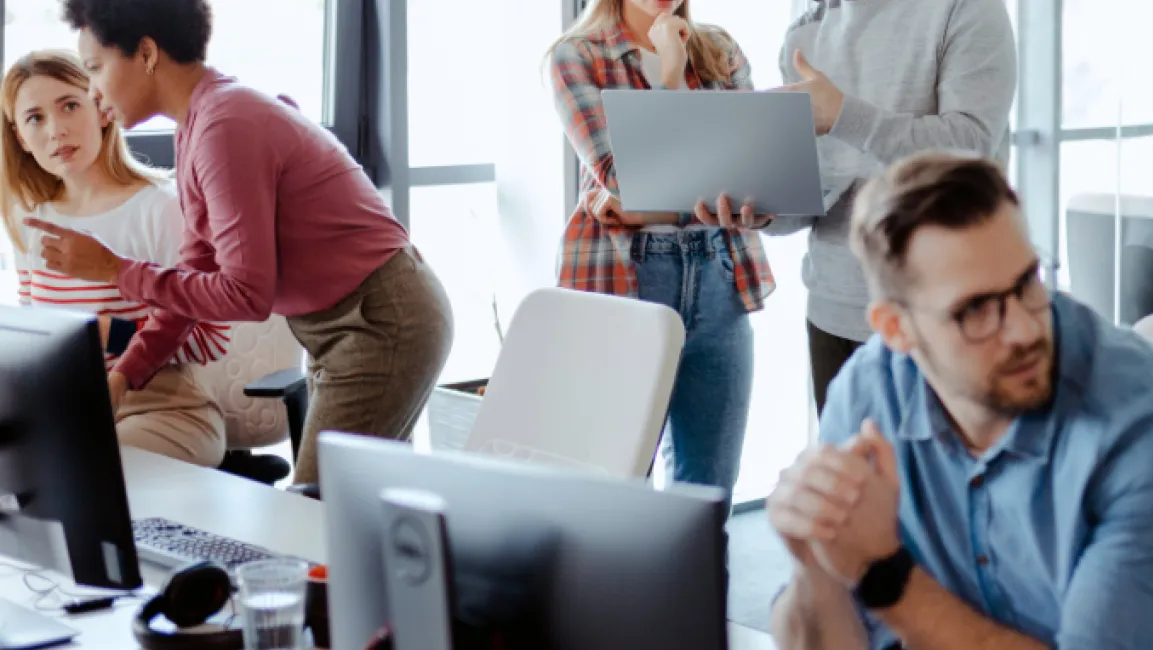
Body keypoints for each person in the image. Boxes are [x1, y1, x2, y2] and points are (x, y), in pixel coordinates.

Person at [767, 152, 1153, 650]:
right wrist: (817, 561)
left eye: (1027, 284)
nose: (1021, 329)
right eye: (976, 310)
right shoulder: (870, 392)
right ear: (896, 328)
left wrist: (881, 573)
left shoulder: (1150, 423)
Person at [39, 0, 454, 485]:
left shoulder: (225, 125)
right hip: (347, 323)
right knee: (350, 514)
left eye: (95, 68)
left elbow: (246, 295)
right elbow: (195, 275)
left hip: (380, 319)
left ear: (147, 53)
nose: (93, 91)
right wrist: (124, 376)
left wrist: (116, 270)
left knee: (313, 513)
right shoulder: (199, 126)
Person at [547, 0, 774, 492]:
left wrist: (644, 207)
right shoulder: (576, 56)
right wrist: (670, 78)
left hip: (720, 272)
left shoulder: (720, 50)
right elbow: (624, 174)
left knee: (708, 495)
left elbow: (752, 172)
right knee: (618, 486)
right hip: (624, 279)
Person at [767, 0, 1017, 415]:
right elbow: (820, 185)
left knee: (940, 480)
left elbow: (969, 147)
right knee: (854, 479)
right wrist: (766, 213)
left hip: (941, 314)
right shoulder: (805, 32)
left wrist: (846, 115)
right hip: (832, 310)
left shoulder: (966, 8)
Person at [1, 49, 230, 468]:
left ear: (102, 108)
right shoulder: (29, 217)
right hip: (69, 410)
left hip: (162, 409)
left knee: (84, 465)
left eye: (70, 106)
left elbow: (211, 337)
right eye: (35, 118)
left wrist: (106, 332)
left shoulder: (159, 209)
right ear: (20, 137)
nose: (56, 130)